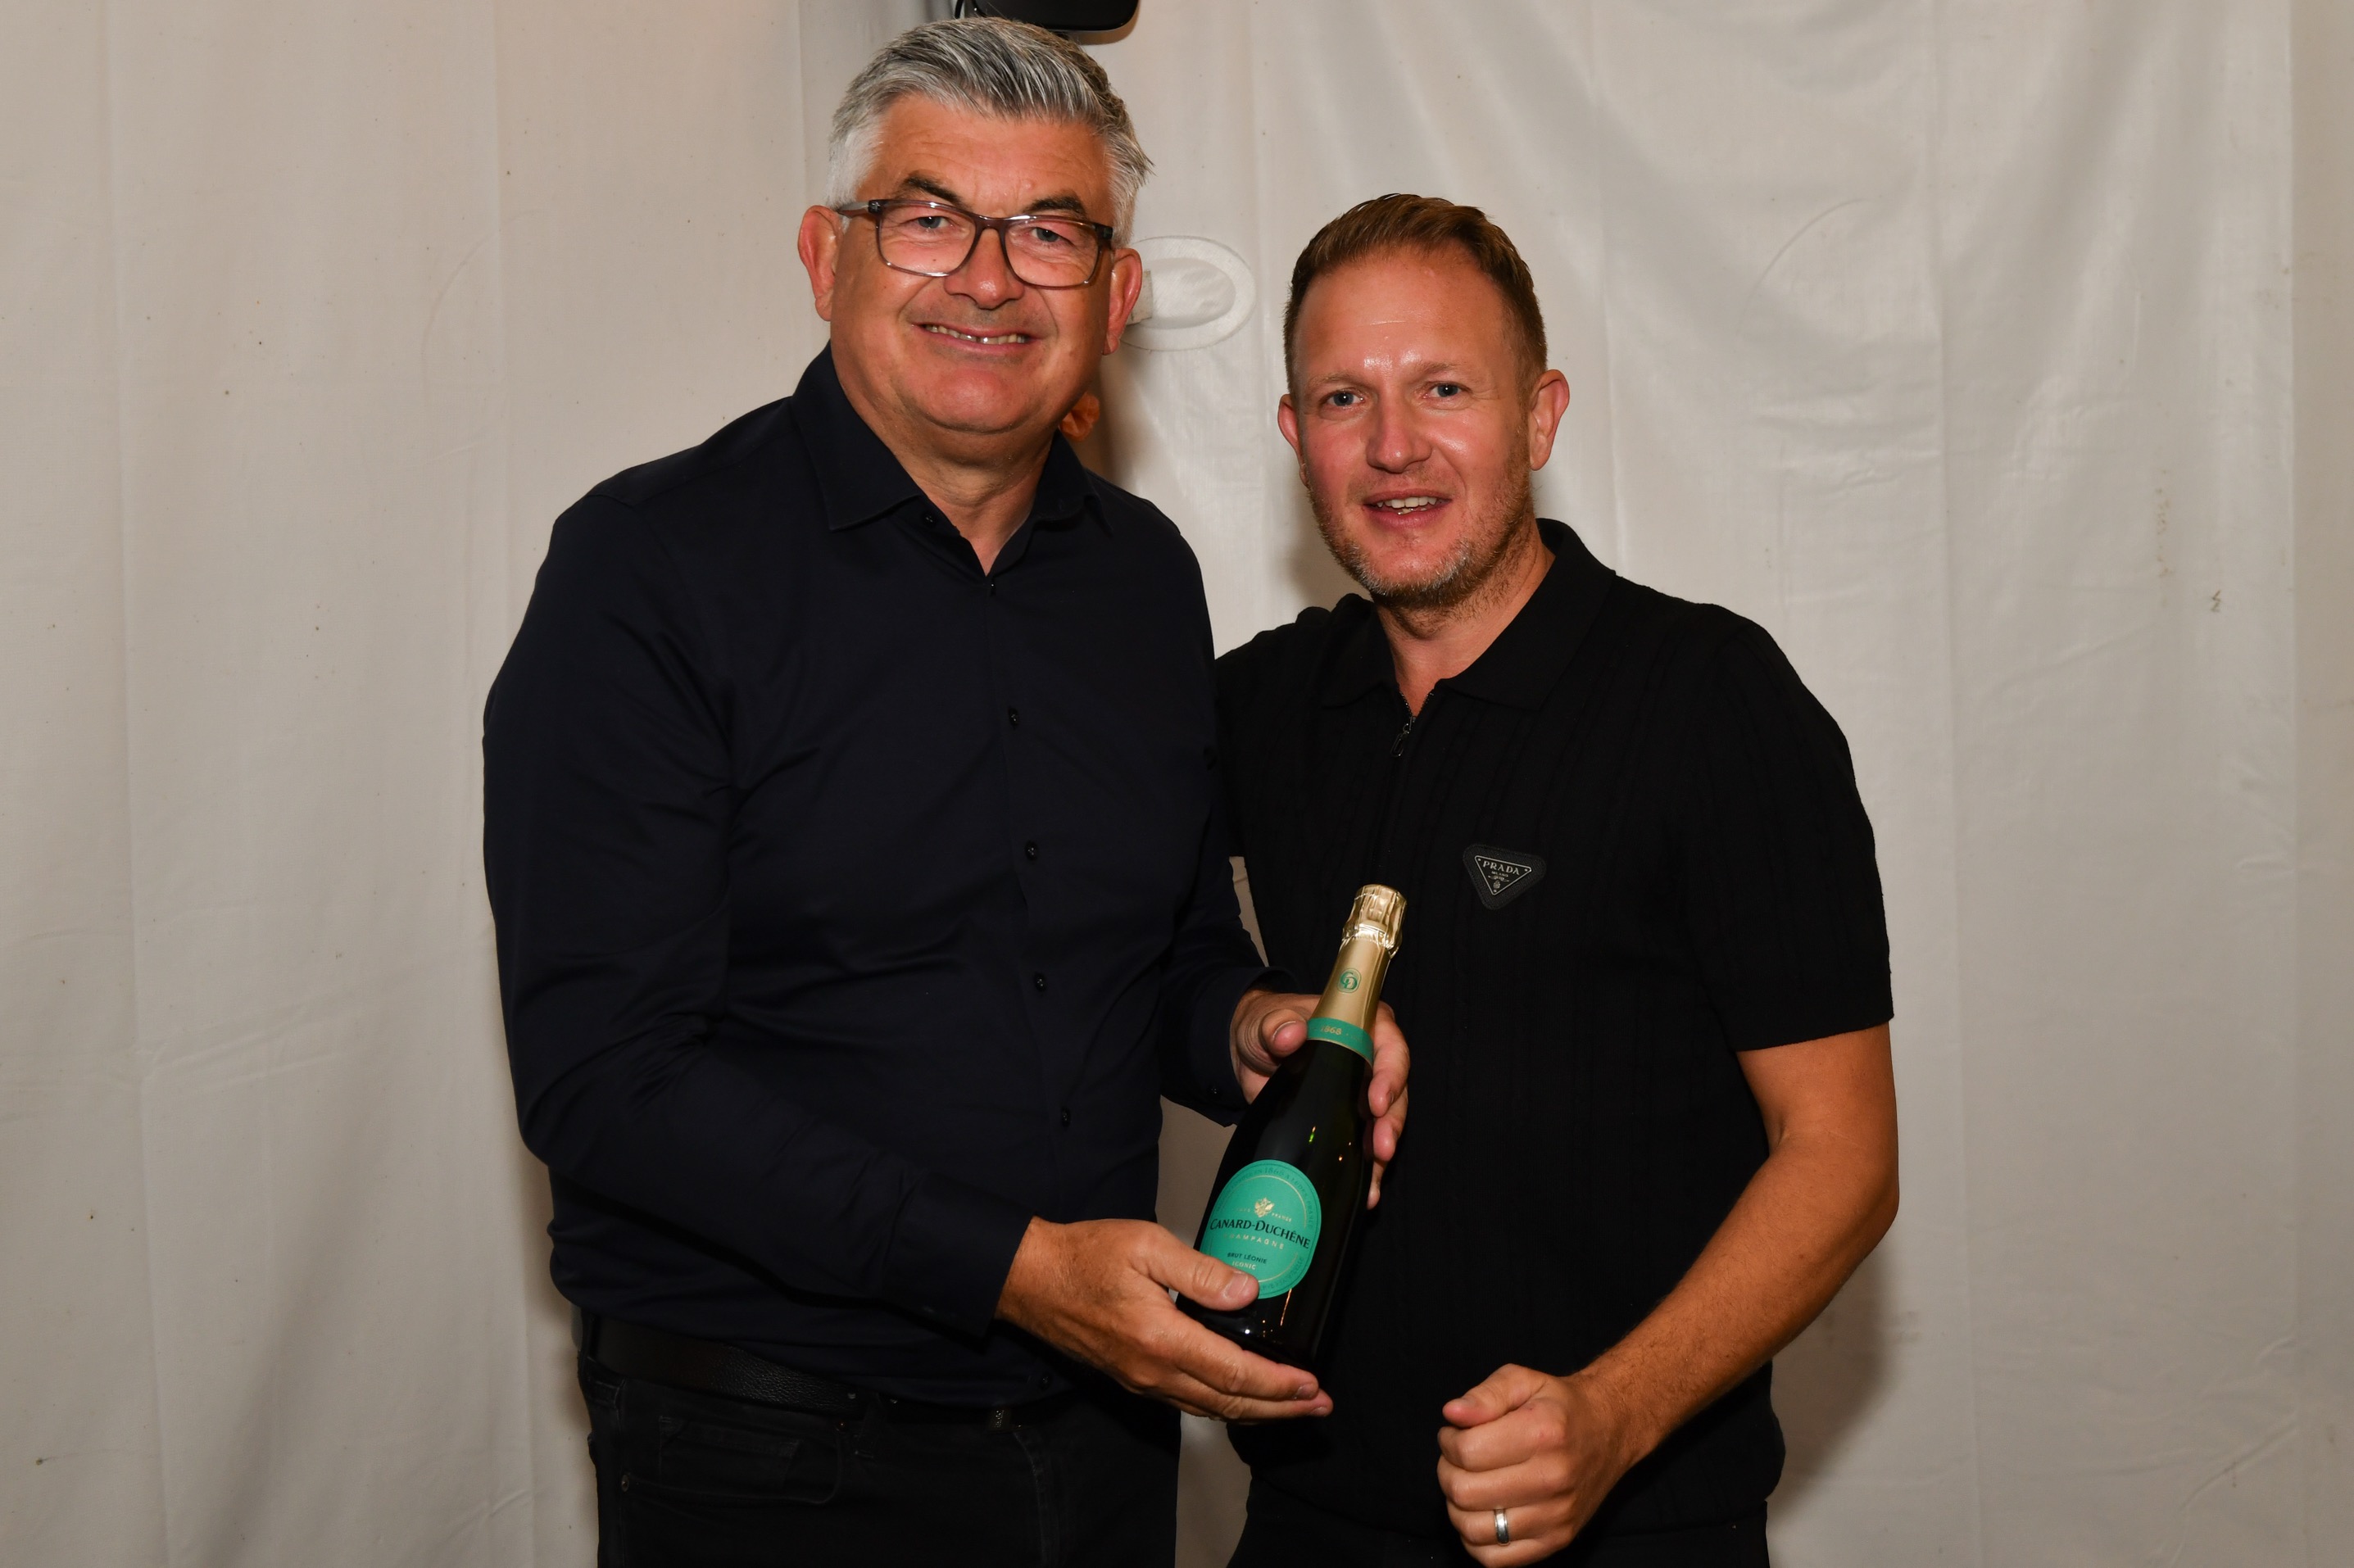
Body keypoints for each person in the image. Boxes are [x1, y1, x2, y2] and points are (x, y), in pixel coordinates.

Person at [480, 21, 1408, 1568]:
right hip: (766, 1459)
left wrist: (1247, 1025)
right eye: (927, 218)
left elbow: (1161, 955)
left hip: (1102, 1441)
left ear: (1114, 294)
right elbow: (605, 1075)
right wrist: (1013, 1268)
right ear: (823, 255)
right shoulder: (647, 570)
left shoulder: (1142, 579)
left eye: (1048, 231)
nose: (986, 279)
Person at [1216, 194, 1899, 1566]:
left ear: (1538, 416)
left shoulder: (1710, 702)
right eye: (1344, 397)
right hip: (1307, 1518)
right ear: (1295, 435)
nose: (1392, 444)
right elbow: (1064, 908)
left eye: (1443, 388)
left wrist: (1615, 1411)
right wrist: (1242, 1011)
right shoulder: (1265, 706)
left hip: (1633, 1521)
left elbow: (1842, 1156)